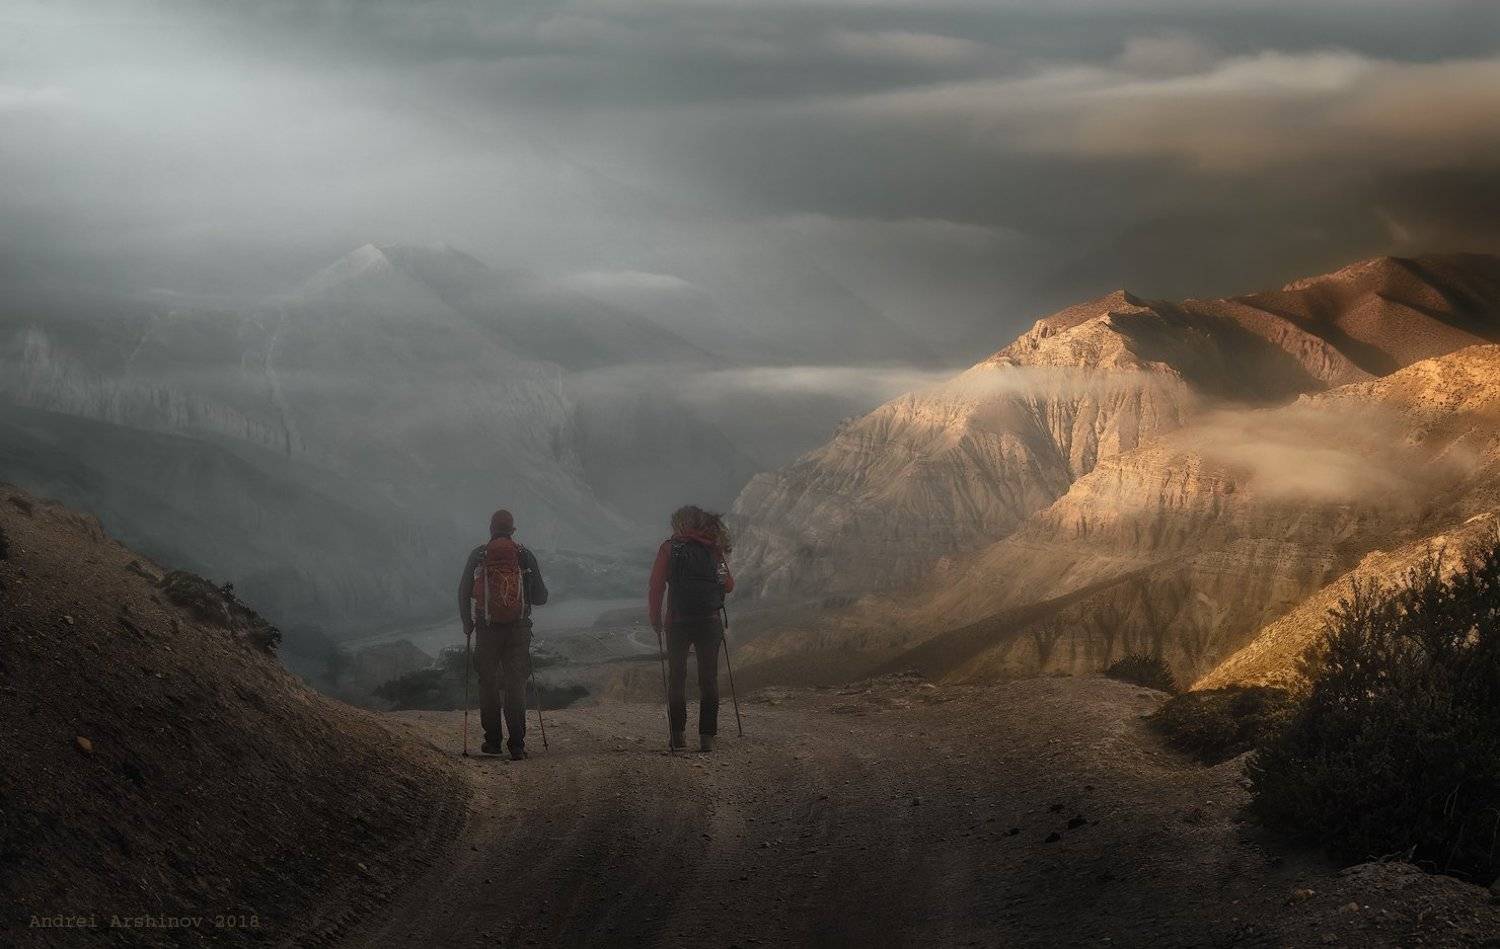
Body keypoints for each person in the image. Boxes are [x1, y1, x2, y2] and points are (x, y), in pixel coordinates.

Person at [459, 509, 548, 760]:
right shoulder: (523, 554)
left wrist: (468, 623)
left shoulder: (479, 555)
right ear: (512, 530)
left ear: (490, 529)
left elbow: (463, 591)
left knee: (488, 683)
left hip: (487, 630)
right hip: (518, 629)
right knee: (515, 683)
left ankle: (493, 742)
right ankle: (517, 745)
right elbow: (541, 597)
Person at [648, 505, 734, 752]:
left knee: (677, 678)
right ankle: (707, 738)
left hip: (678, 623)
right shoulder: (713, 549)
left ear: (679, 525)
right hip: (710, 622)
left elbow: (656, 587)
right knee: (708, 680)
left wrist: (655, 618)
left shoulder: (669, 549)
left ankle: (677, 736)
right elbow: (728, 585)